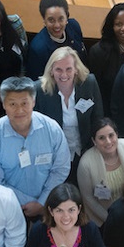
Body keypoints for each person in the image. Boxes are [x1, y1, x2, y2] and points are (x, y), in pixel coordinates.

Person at [0, 77, 70, 219]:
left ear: (33, 102)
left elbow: (60, 169)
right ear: (3, 104)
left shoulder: (52, 129)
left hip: (49, 204)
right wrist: (29, 203)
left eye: (24, 103)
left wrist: (42, 203)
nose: (19, 110)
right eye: (12, 104)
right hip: (9, 208)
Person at [34, 47, 104, 183]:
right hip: (55, 156)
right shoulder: (39, 90)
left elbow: (98, 118)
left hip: (85, 151)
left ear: (76, 69)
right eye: (58, 69)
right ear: (51, 71)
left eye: (69, 69)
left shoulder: (89, 83)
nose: (64, 75)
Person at [17, 183, 111, 247]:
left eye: (71, 210)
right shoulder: (39, 230)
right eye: (59, 210)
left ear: (79, 209)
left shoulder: (89, 229)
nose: (66, 216)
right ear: (51, 211)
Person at [76, 118, 124, 226]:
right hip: (105, 219)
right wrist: (111, 219)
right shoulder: (85, 164)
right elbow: (88, 198)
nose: (108, 141)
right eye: (101, 138)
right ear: (94, 141)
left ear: (117, 135)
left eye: (111, 135)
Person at [26, 0, 87, 80]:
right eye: (51, 20)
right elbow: (36, 82)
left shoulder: (74, 26)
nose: (57, 25)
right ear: (44, 20)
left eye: (61, 19)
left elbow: (83, 59)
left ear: (67, 17)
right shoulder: (38, 48)